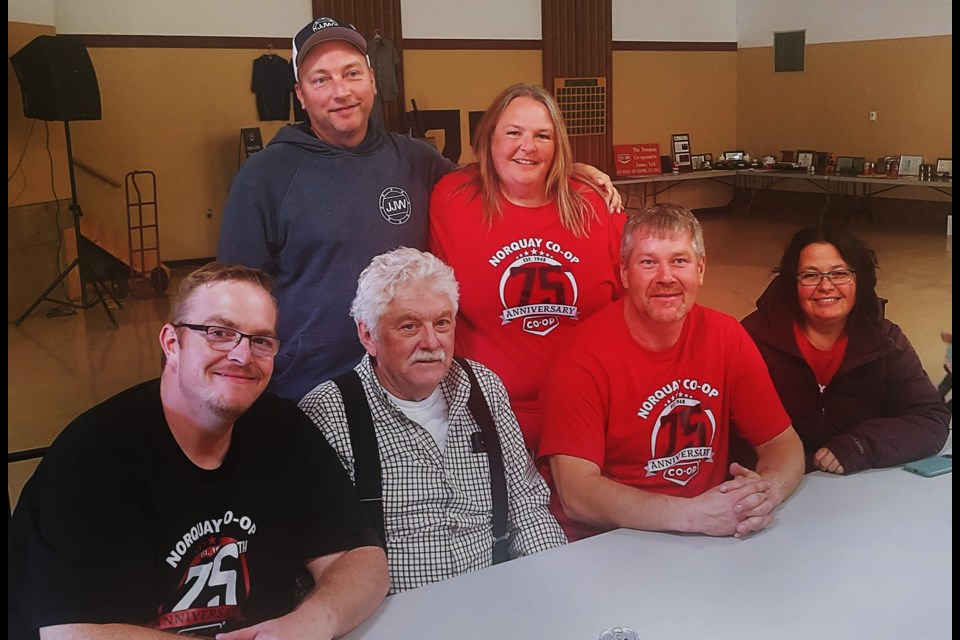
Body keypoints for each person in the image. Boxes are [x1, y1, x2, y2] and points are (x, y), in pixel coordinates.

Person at [217, 18, 621, 403]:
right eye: (321, 79)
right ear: (301, 94)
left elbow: (496, 175)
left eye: (352, 73)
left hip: (408, 383)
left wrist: (568, 170)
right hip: (309, 384)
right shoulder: (265, 176)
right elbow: (232, 296)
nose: (341, 91)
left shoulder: (416, 161)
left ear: (373, 81)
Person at [8, 263, 388, 639]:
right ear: (172, 344)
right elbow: (74, 633)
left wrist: (314, 620)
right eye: (219, 333)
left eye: (261, 340)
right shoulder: (93, 460)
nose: (242, 355)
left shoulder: (286, 430)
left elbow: (360, 559)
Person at [298, 248, 567, 594]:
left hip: (497, 601)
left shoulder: (483, 389)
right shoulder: (329, 413)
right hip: (388, 618)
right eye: (409, 326)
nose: (431, 342)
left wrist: (562, 588)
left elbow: (527, 509)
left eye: (442, 323)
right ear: (368, 336)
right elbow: (321, 558)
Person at [538, 203, 804, 542]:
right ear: (623, 273)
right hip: (610, 541)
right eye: (648, 262)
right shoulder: (580, 358)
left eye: (679, 260)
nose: (666, 277)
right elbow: (576, 493)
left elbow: (782, 443)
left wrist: (764, 492)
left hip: (704, 534)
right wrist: (691, 515)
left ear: (701, 269)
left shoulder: (727, 335)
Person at [428, 82, 624, 457]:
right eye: (513, 132)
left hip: (586, 410)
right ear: (488, 139)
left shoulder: (593, 202)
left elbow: (631, 307)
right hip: (488, 413)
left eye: (542, 136)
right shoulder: (452, 199)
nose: (527, 146)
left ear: (559, 147)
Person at [740, 225, 950, 475]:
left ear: (859, 279)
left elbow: (928, 418)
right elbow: (724, 432)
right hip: (772, 487)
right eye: (810, 275)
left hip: (856, 486)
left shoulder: (885, 340)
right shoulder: (751, 338)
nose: (826, 286)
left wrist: (860, 446)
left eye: (840, 273)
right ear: (791, 283)